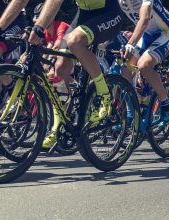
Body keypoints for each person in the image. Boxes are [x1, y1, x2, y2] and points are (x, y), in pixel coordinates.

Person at [28, 0, 123, 148]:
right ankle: (57, 127)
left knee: (75, 41)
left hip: (108, 13)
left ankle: (104, 94)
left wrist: (39, 28)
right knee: (60, 69)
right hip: (84, 14)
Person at [118, 0, 169, 129]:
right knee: (125, 69)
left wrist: (130, 44)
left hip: (164, 33)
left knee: (144, 65)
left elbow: (144, 20)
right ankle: (132, 111)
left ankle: (166, 104)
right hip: (146, 35)